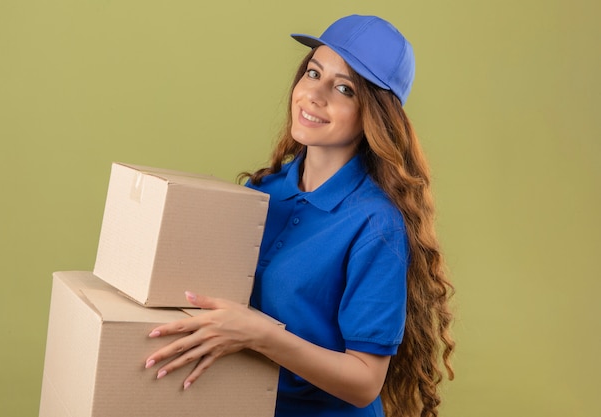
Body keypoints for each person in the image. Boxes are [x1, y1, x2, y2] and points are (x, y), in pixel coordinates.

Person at [144, 14, 455, 417]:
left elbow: (364, 383)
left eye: (344, 89)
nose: (314, 95)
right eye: (313, 73)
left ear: (374, 117)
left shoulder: (376, 223)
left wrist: (259, 334)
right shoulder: (261, 194)